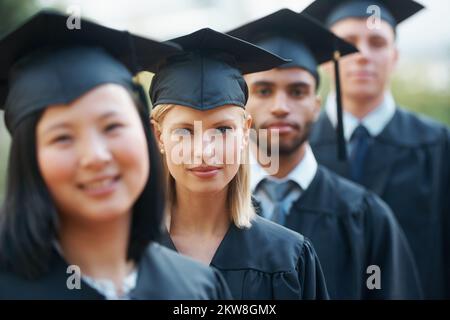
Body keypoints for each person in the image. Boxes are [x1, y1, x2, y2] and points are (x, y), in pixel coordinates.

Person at [0, 10, 232, 300]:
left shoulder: (197, 288)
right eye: (62, 137)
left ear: (147, 135)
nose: (96, 156)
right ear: (28, 157)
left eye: (112, 126)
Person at [228, 8, 423, 299]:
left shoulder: (366, 217)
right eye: (264, 91)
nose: (281, 106)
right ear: (241, 107)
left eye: (297, 91)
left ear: (316, 106)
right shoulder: (212, 212)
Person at [149, 27, 329, 299]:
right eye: (184, 131)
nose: (205, 152)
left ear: (246, 131)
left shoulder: (289, 258)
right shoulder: (123, 255)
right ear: (159, 135)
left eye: (222, 130)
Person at [303, 0, 450, 299]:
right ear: (325, 61)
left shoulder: (438, 145)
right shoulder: (296, 147)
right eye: (348, 43)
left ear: (394, 57)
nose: (362, 55)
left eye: (377, 42)